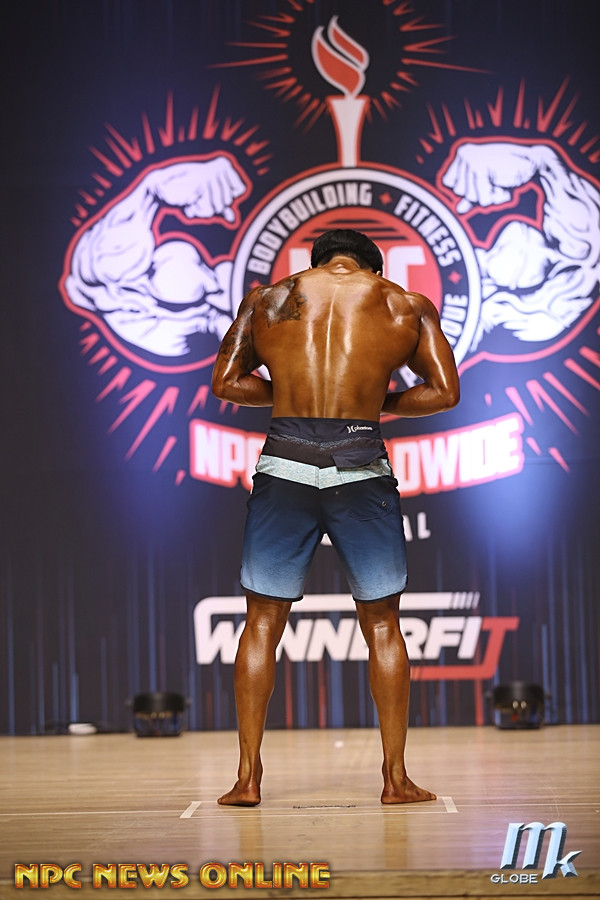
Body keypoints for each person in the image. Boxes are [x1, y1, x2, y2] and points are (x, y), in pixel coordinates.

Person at [211, 229, 460, 807]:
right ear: (374, 268)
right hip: (360, 462)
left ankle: (247, 779)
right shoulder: (403, 304)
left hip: (285, 460)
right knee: (383, 625)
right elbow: (445, 392)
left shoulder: (270, 299)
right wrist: (374, 403)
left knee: (262, 622)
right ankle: (395, 780)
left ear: (317, 262)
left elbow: (226, 382)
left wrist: (287, 397)